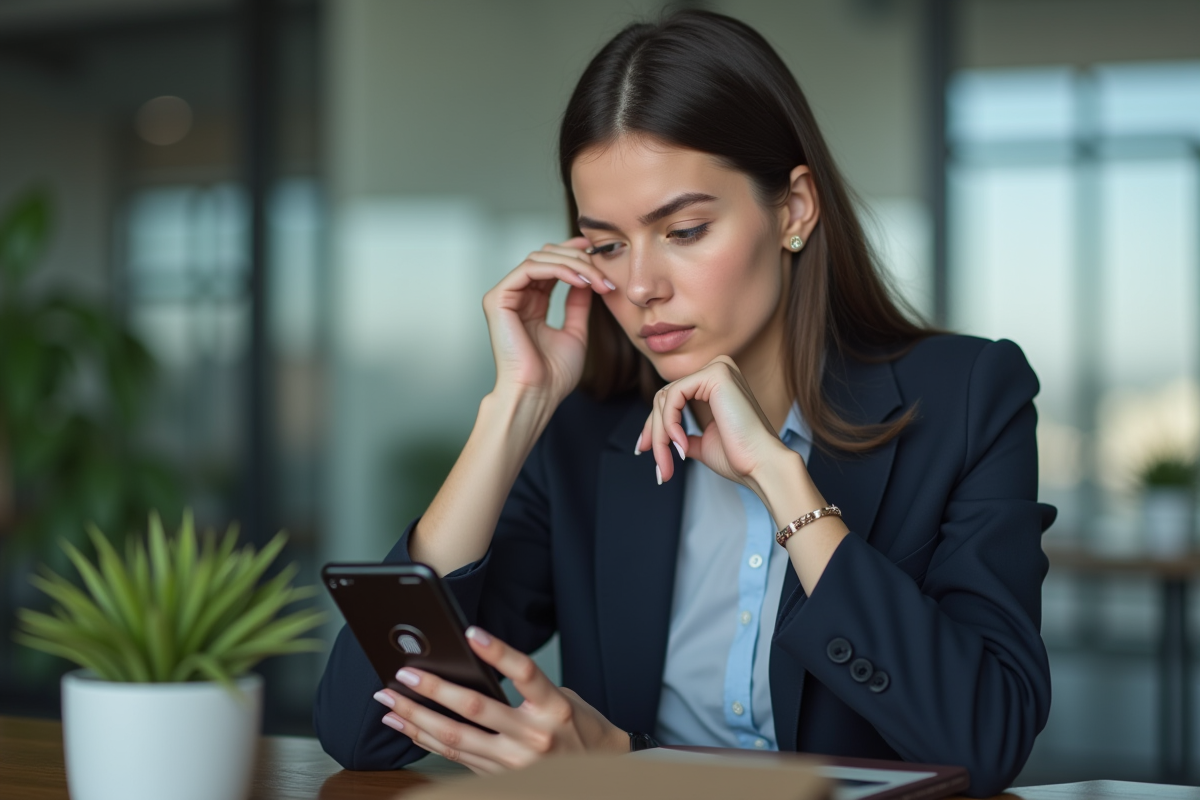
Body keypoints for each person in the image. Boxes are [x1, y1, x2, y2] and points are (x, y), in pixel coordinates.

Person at [314, 10, 1054, 796]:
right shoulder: (585, 434)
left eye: (686, 230)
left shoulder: (970, 396)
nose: (641, 287)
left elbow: (988, 737)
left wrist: (783, 481)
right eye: (605, 245)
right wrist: (514, 409)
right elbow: (361, 728)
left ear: (794, 210)